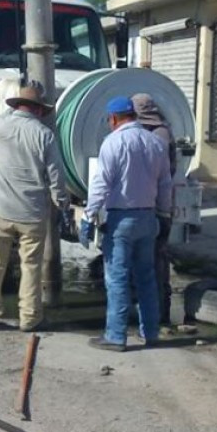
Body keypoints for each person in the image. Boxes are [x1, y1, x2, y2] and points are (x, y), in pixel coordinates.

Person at [81, 96, 172, 352]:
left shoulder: (113, 142)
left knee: (118, 279)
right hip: (149, 218)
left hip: (121, 219)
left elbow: (102, 183)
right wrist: (164, 215)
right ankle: (151, 332)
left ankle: (116, 336)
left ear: (113, 119)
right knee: (147, 277)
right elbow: (165, 183)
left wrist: (88, 216)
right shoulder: (156, 143)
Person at [0, 83, 68, 332]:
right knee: (30, 266)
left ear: (17, 105)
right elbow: (56, 176)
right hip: (31, 212)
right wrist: (61, 201)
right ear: (39, 110)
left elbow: (6, 115)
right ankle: (30, 318)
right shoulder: (45, 135)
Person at [131, 93, 177, 327]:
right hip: (163, 208)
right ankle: (160, 316)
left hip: (144, 208)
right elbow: (171, 172)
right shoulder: (164, 132)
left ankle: (146, 316)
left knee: (140, 262)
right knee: (158, 262)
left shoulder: (138, 136)